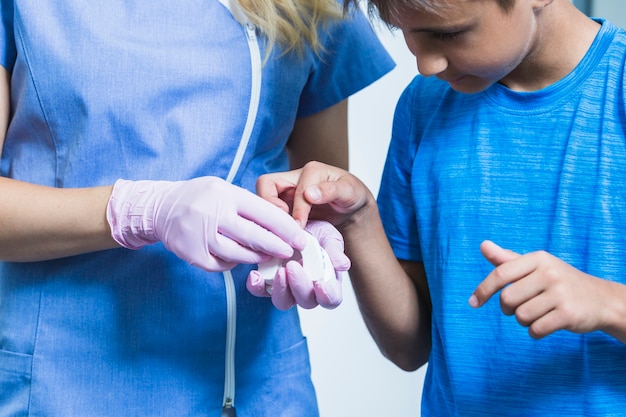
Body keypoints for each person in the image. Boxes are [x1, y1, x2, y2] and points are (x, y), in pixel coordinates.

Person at [0, 0, 394, 415]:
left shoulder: (315, 4)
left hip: (259, 387)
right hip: (64, 385)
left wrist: (302, 238)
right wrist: (138, 210)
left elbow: (316, 185)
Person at [251, 0, 626, 415]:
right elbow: (410, 347)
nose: (426, 65)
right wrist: (357, 220)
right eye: (408, 34)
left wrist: (608, 304)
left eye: (448, 34)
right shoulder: (423, 106)